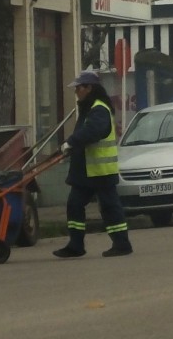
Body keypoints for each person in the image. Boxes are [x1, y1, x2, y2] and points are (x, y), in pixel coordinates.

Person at [53, 71, 132, 258]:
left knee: (109, 207)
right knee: (74, 205)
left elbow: (92, 131)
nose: (76, 92)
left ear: (89, 88)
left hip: (100, 170)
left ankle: (122, 244)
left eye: (79, 88)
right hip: (86, 171)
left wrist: (71, 142)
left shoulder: (99, 109)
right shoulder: (88, 108)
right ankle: (75, 245)